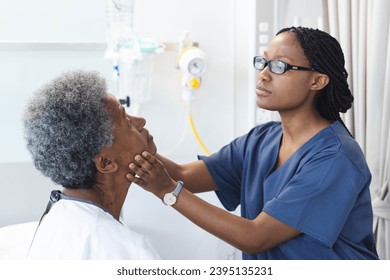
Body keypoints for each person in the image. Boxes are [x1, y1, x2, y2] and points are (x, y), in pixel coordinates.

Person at [127, 26, 379, 260]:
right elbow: (184, 175)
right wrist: (127, 140)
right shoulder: (261, 140)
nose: (264, 75)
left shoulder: (335, 158)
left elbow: (255, 237)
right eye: (263, 62)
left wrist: (167, 191)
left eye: (280, 66)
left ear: (317, 81)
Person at [22, 70, 159, 259]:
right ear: (106, 162)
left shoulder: (56, 219)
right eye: (127, 121)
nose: (141, 121)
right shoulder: (128, 252)